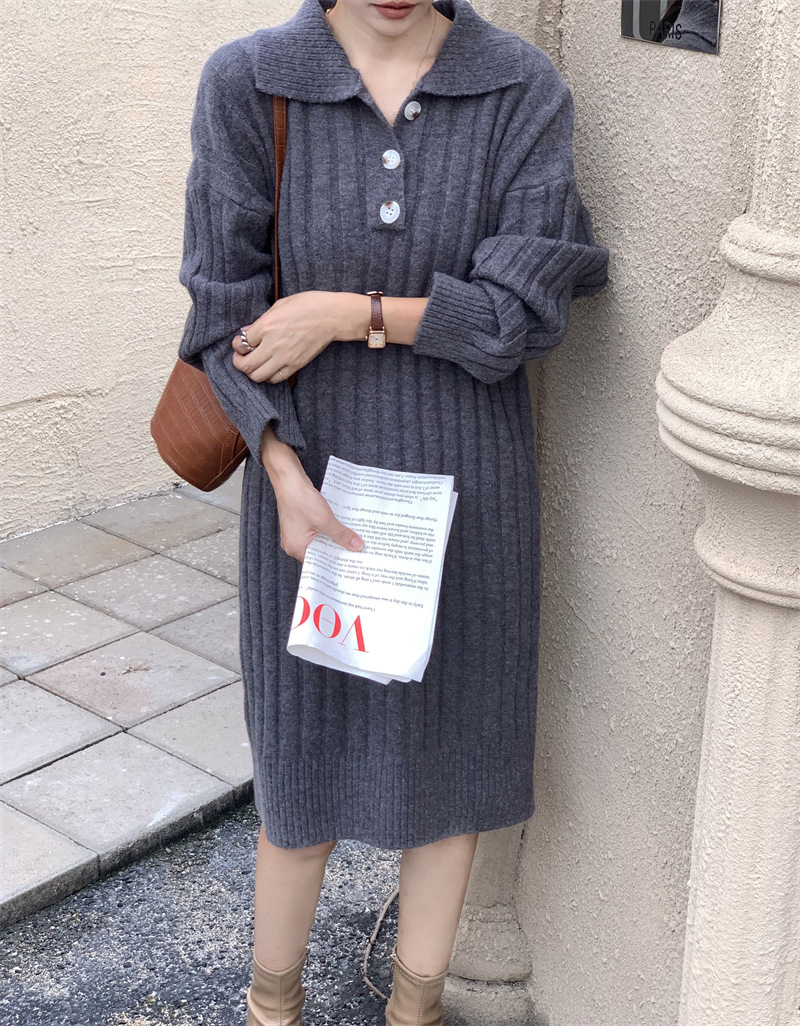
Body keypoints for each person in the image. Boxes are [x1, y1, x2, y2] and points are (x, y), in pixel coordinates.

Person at [176, 0, 609, 1023]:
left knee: (454, 765)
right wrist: (281, 472)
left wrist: (348, 314)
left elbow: (519, 316)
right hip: (305, 478)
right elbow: (221, 311)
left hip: (471, 489)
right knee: (300, 769)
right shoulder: (250, 81)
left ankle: (413, 1012)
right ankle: (271, 1009)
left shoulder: (519, 87)